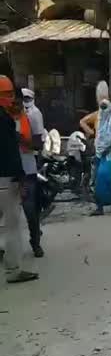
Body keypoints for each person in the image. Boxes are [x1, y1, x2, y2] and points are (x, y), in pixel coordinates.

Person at [0, 76, 38, 283]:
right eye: (7, 95)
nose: (11, 99)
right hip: (6, 180)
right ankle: (13, 270)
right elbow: (11, 154)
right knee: (13, 226)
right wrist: (21, 179)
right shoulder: (4, 119)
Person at [15, 88, 45, 257]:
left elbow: (39, 144)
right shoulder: (5, 118)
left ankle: (35, 243)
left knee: (30, 210)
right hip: (7, 171)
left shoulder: (32, 116)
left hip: (27, 169)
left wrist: (21, 140)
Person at [90, 81, 111, 216]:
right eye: (101, 107)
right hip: (99, 155)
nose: (103, 109)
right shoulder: (100, 119)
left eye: (105, 107)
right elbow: (99, 138)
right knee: (98, 181)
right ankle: (99, 207)